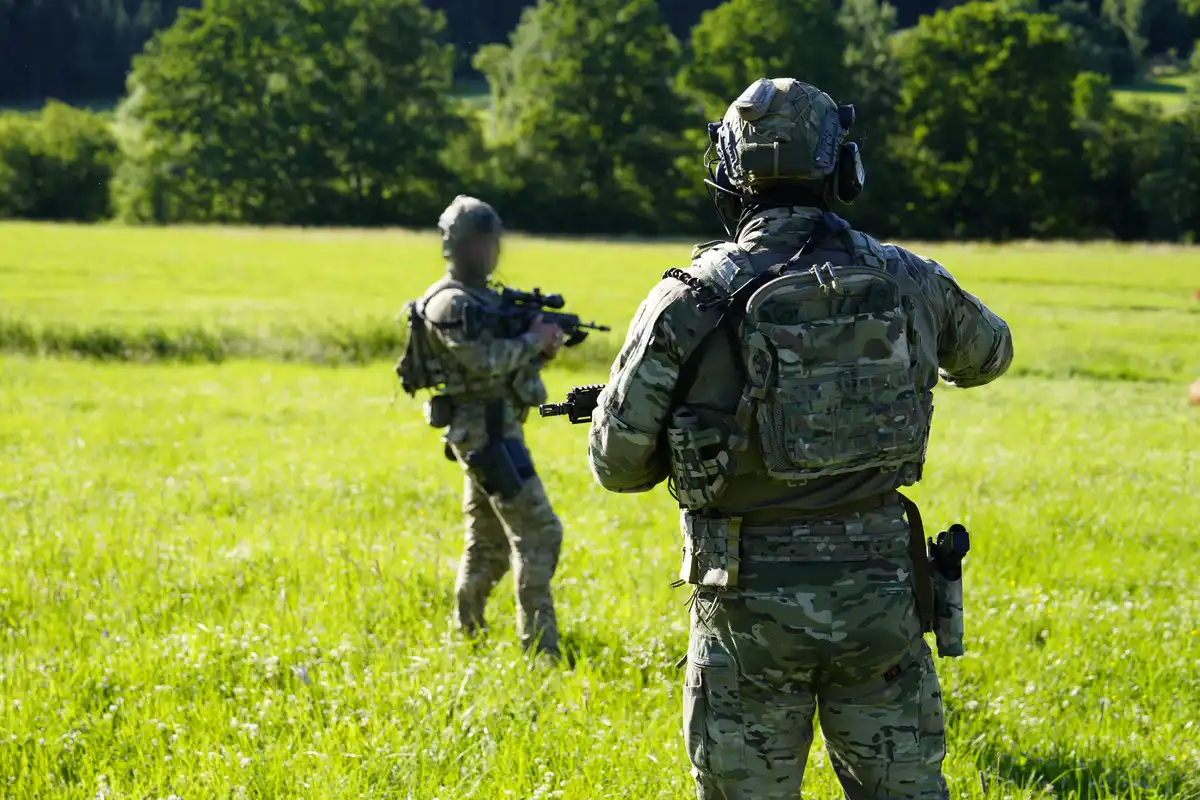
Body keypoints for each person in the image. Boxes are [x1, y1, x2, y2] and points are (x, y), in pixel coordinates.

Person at [587, 79, 1013, 799]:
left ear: (727, 170)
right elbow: (990, 353)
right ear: (841, 168)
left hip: (747, 604)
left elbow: (616, 465)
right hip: (882, 597)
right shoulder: (904, 275)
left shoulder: (689, 296)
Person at [411, 195, 566, 660]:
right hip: (484, 437)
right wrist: (530, 340)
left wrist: (542, 347)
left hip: (498, 430)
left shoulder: (487, 299)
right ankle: (541, 652)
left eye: (491, 241)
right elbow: (481, 363)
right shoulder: (450, 303)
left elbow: (505, 363)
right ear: (454, 245)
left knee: (489, 542)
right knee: (541, 533)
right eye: (478, 242)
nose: (488, 251)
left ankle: (467, 634)